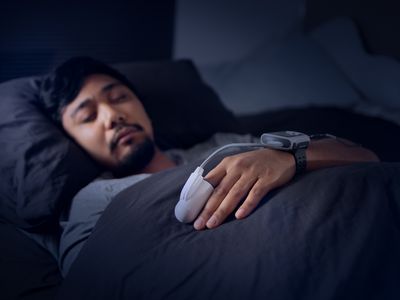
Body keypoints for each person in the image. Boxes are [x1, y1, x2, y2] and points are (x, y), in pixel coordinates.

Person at [39, 57, 379, 276]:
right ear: (73, 140)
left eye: (119, 98)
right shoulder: (93, 200)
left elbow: (367, 160)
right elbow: (90, 286)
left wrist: (288, 157)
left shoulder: (223, 145)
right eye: (88, 116)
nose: (113, 116)